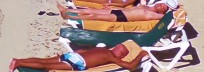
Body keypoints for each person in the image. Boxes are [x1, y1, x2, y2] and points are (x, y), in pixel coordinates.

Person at [9, 43, 147, 72]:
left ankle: (19, 61)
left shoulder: (101, 49)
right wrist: (140, 54)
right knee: (47, 67)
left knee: (44, 60)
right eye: (121, 52)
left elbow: (83, 49)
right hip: (78, 61)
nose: (120, 54)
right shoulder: (110, 55)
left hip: (75, 55)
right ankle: (18, 63)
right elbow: (130, 66)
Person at [56, 1, 176, 23]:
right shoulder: (149, 7)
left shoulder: (154, 15)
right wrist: (113, 6)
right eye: (162, 3)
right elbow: (130, 8)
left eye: (163, 6)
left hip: (121, 18)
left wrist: (175, 11)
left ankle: (68, 16)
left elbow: (171, 17)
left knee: (93, 16)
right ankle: (67, 10)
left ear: (163, 11)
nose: (160, 4)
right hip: (119, 11)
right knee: (90, 10)